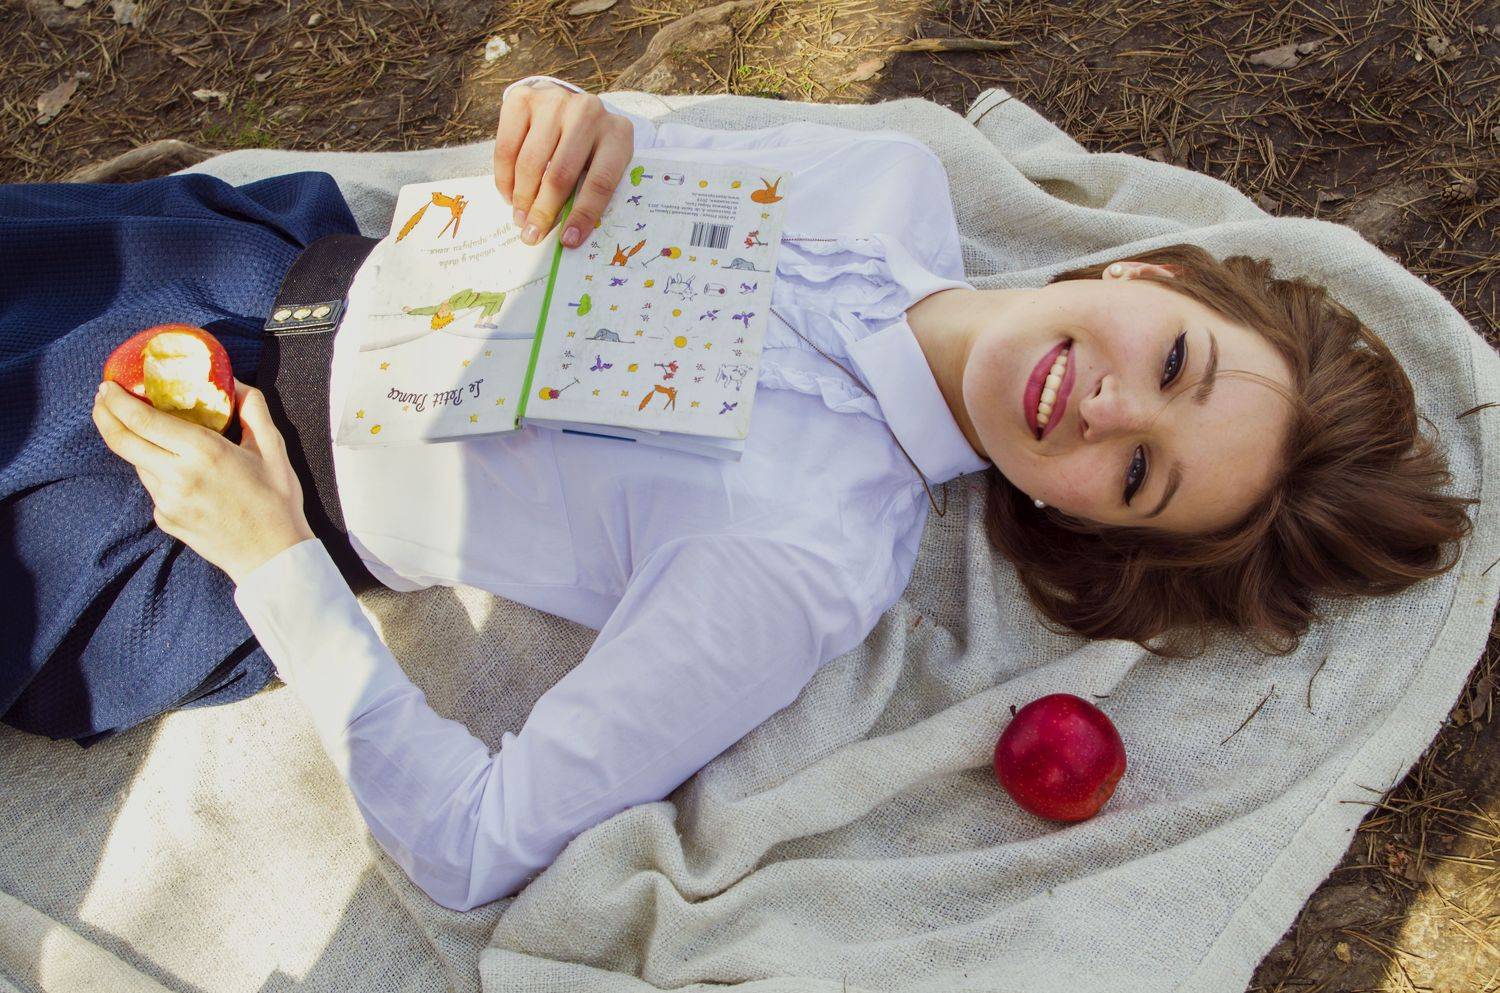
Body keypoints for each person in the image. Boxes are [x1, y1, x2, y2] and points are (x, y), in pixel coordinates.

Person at [12, 76, 1471, 910]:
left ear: (1091, 522)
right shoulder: (885, 184)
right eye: (1174, 359)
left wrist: (270, 558)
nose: (1110, 404)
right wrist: (571, 122)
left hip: (149, 503)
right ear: (1151, 273)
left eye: (1140, 472)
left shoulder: (806, 560)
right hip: (225, 251)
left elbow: (475, 843)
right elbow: (606, 157)